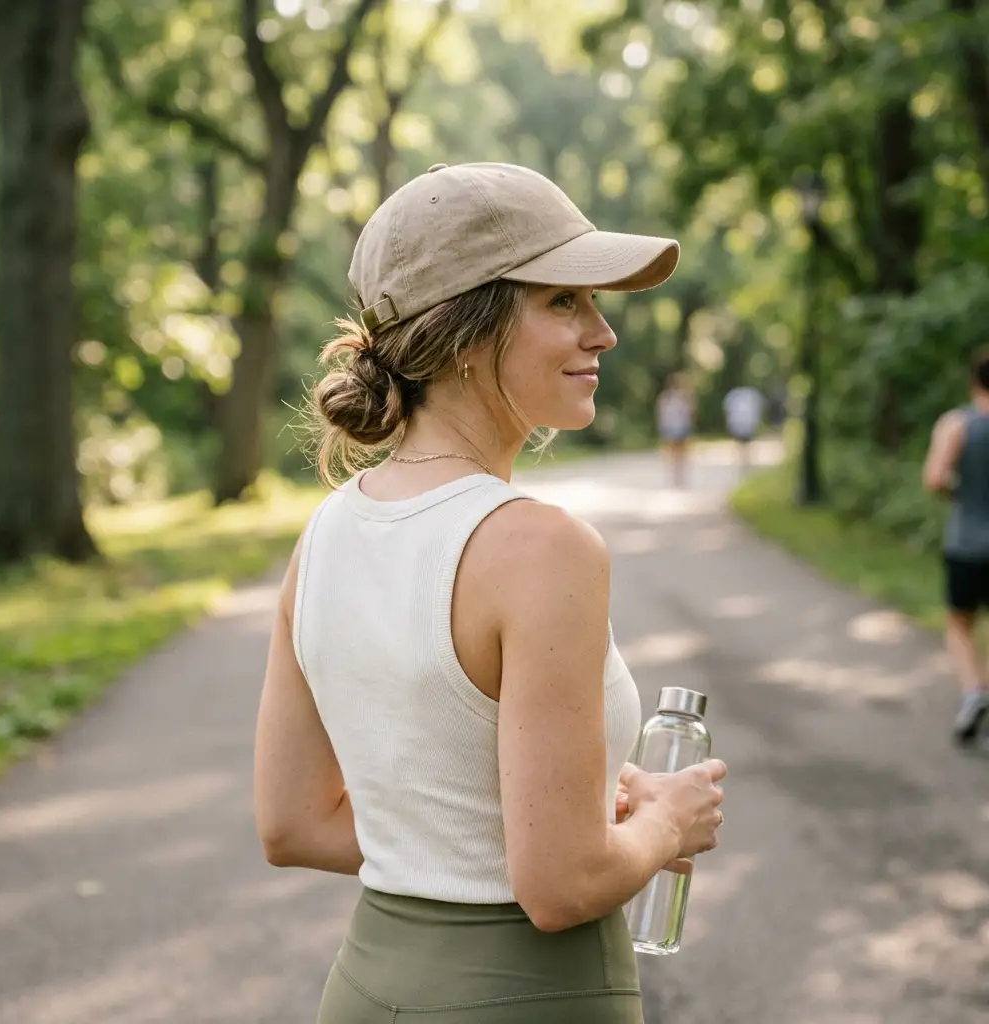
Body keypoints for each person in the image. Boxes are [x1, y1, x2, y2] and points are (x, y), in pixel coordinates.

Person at [253, 162, 727, 1023]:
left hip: (364, 989)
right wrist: (667, 821)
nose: (603, 333)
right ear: (466, 334)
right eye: (564, 302)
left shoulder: (323, 535)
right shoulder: (543, 547)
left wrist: (526, 820)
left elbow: (293, 824)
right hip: (529, 997)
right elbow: (562, 885)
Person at [923, 345, 989, 746]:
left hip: (967, 541)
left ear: (974, 381)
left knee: (960, 624)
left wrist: (958, 491)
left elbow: (935, 478)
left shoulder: (957, 423)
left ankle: (974, 693)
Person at [655, 373, 696, 487]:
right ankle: (677, 474)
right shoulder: (668, 398)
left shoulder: (676, 397)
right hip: (674, 427)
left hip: (676, 427)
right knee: (676, 453)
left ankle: (677, 473)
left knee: (677, 453)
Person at [722, 384, 765, 471]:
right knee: (744, 444)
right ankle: (745, 460)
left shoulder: (734, 395)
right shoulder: (750, 395)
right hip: (744, 424)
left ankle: (744, 460)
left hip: (742, 424)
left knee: (743, 444)